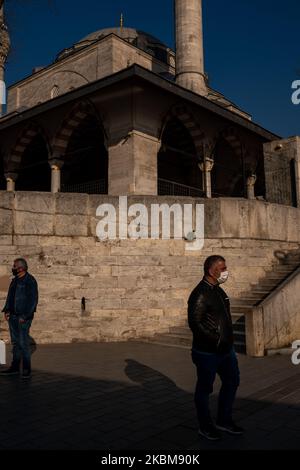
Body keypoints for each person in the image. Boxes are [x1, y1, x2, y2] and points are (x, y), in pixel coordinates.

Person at [188, 255, 243, 441]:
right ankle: (205, 426)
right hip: (207, 353)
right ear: (212, 271)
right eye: (222, 268)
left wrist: (227, 341)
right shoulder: (200, 293)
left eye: (225, 267)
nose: (226, 271)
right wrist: (216, 340)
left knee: (232, 381)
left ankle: (224, 420)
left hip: (226, 351)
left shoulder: (219, 291)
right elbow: (195, 323)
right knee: (204, 389)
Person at [0, 258, 38, 379]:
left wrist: (25, 316)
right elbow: (10, 296)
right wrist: (7, 310)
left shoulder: (30, 281)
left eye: (14, 266)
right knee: (15, 343)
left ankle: (26, 369)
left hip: (23, 318)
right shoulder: (15, 280)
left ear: (21, 268)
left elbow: (33, 301)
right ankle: (15, 368)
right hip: (13, 316)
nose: (13, 268)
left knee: (23, 343)